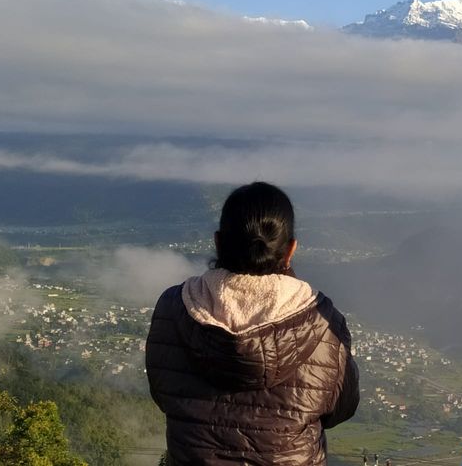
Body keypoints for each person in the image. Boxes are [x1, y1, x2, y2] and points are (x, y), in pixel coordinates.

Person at [146, 182, 359, 465]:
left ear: (218, 242)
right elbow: (341, 408)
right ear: (291, 249)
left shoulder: (174, 307)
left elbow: (163, 393)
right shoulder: (322, 321)